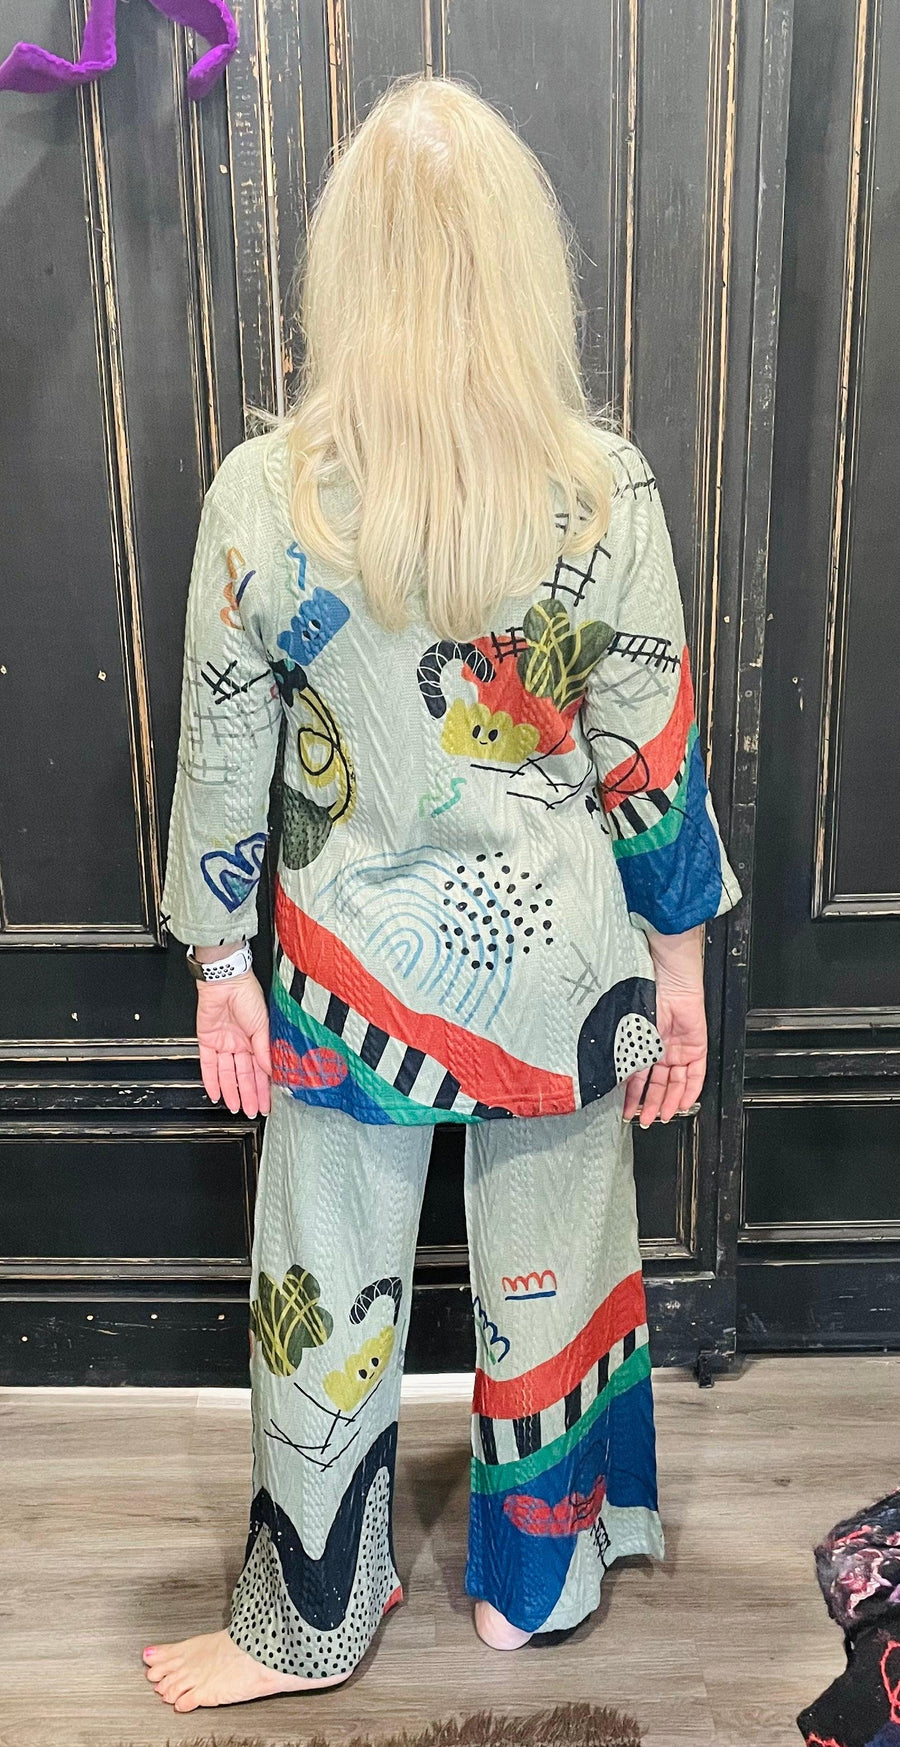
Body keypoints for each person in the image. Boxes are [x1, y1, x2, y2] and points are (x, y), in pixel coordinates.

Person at [143, 73, 742, 1714]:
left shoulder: (266, 496)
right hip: (568, 972)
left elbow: (223, 755)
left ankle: (311, 1613)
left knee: (323, 1281)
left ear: (347, 270)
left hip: (347, 973)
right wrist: (680, 975)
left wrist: (221, 969)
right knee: (557, 1263)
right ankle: (534, 1585)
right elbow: (651, 757)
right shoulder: (600, 485)